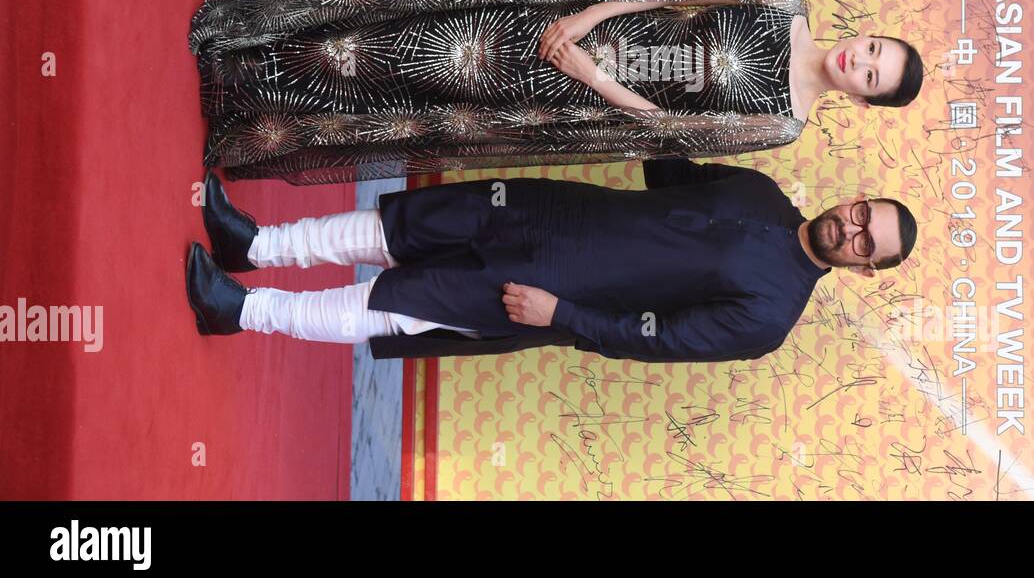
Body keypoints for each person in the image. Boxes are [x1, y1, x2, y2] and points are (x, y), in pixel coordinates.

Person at [189, 0, 924, 183]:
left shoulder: (781, 122)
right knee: (405, 32)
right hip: (562, 22)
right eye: (873, 50)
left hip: (563, 92)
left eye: (870, 77)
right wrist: (585, 18)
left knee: (414, 91)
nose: (857, 61)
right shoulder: (782, 1)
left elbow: (668, 130)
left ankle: (251, 104)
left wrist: (587, 73)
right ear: (866, 36)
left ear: (863, 102)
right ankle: (250, 37)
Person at [185, 162, 918, 362]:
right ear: (854, 198)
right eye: (862, 214)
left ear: (863, 270)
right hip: (557, 211)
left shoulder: (772, 316)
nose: (851, 229)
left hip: (550, 287)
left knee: (397, 301)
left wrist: (559, 316)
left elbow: (655, 341)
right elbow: (666, 177)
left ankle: (243, 311)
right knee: (397, 227)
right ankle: (258, 245)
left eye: (865, 242)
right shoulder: (762, 192)